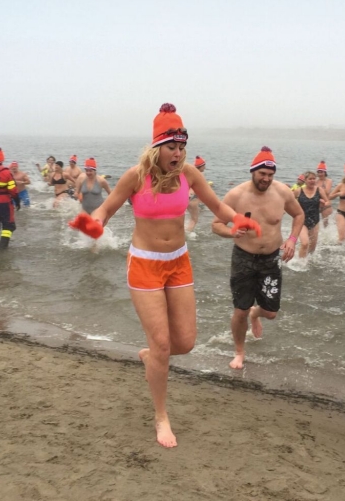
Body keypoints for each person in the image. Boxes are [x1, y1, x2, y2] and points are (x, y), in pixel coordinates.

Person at [69, 103, 260, 448]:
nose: (178, 153)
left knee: (184, 343)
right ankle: (161, 416)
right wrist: (93, 223)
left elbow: (218, 207)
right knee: (161, 343)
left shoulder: (189, 174)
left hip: (178, 262)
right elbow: (105, 209)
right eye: (171, 147)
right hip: (144, 264)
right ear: (157, 147)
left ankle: (152, 356)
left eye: (182, 147)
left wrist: (238, 221)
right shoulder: (136, 176)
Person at [212, 146, 304, 369]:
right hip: (243, 258)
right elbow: (216, 225)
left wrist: (292, 240)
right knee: (240, 310)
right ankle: (239, 352)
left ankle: (256, 314)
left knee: (271, 313)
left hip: (271, 259)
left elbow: (299, 214)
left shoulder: (282, 192)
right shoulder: (236, 195)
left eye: (270, 175)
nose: (266, 179)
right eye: (262, 173)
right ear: (253, 171)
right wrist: (232, 232)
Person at [292, 171, 329, 258]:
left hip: (315, 221)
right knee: (305, 243)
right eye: (310, 179)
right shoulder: (299, 191)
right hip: (301, 221)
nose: (312, 181)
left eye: (314, 179)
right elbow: (289, 201)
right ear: (305, 180)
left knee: (312, 249)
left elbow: (328, 202)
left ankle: (306, 260)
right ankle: (300, 263)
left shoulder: (319, 190)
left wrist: (324, 204)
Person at [185, 155, 207, 232]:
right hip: (193, 198)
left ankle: (185, 229)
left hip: (186, 198)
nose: (205, 168)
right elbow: (203, 190)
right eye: (204, 166)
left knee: (190, 217)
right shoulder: (200, 175)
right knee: (194, 219)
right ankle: (188, 234)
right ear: (201, 166)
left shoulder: (191, 174)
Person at [316, 160, 333, 227]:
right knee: (315, 223)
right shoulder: (316, 181)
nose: (320, 174)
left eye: (322, 172)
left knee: (326, 225)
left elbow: (327, 191)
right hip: (317, 205)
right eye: (319, 172)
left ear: (325, 172)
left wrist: (318, 189)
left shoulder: (329, 181)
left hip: (326, 205)